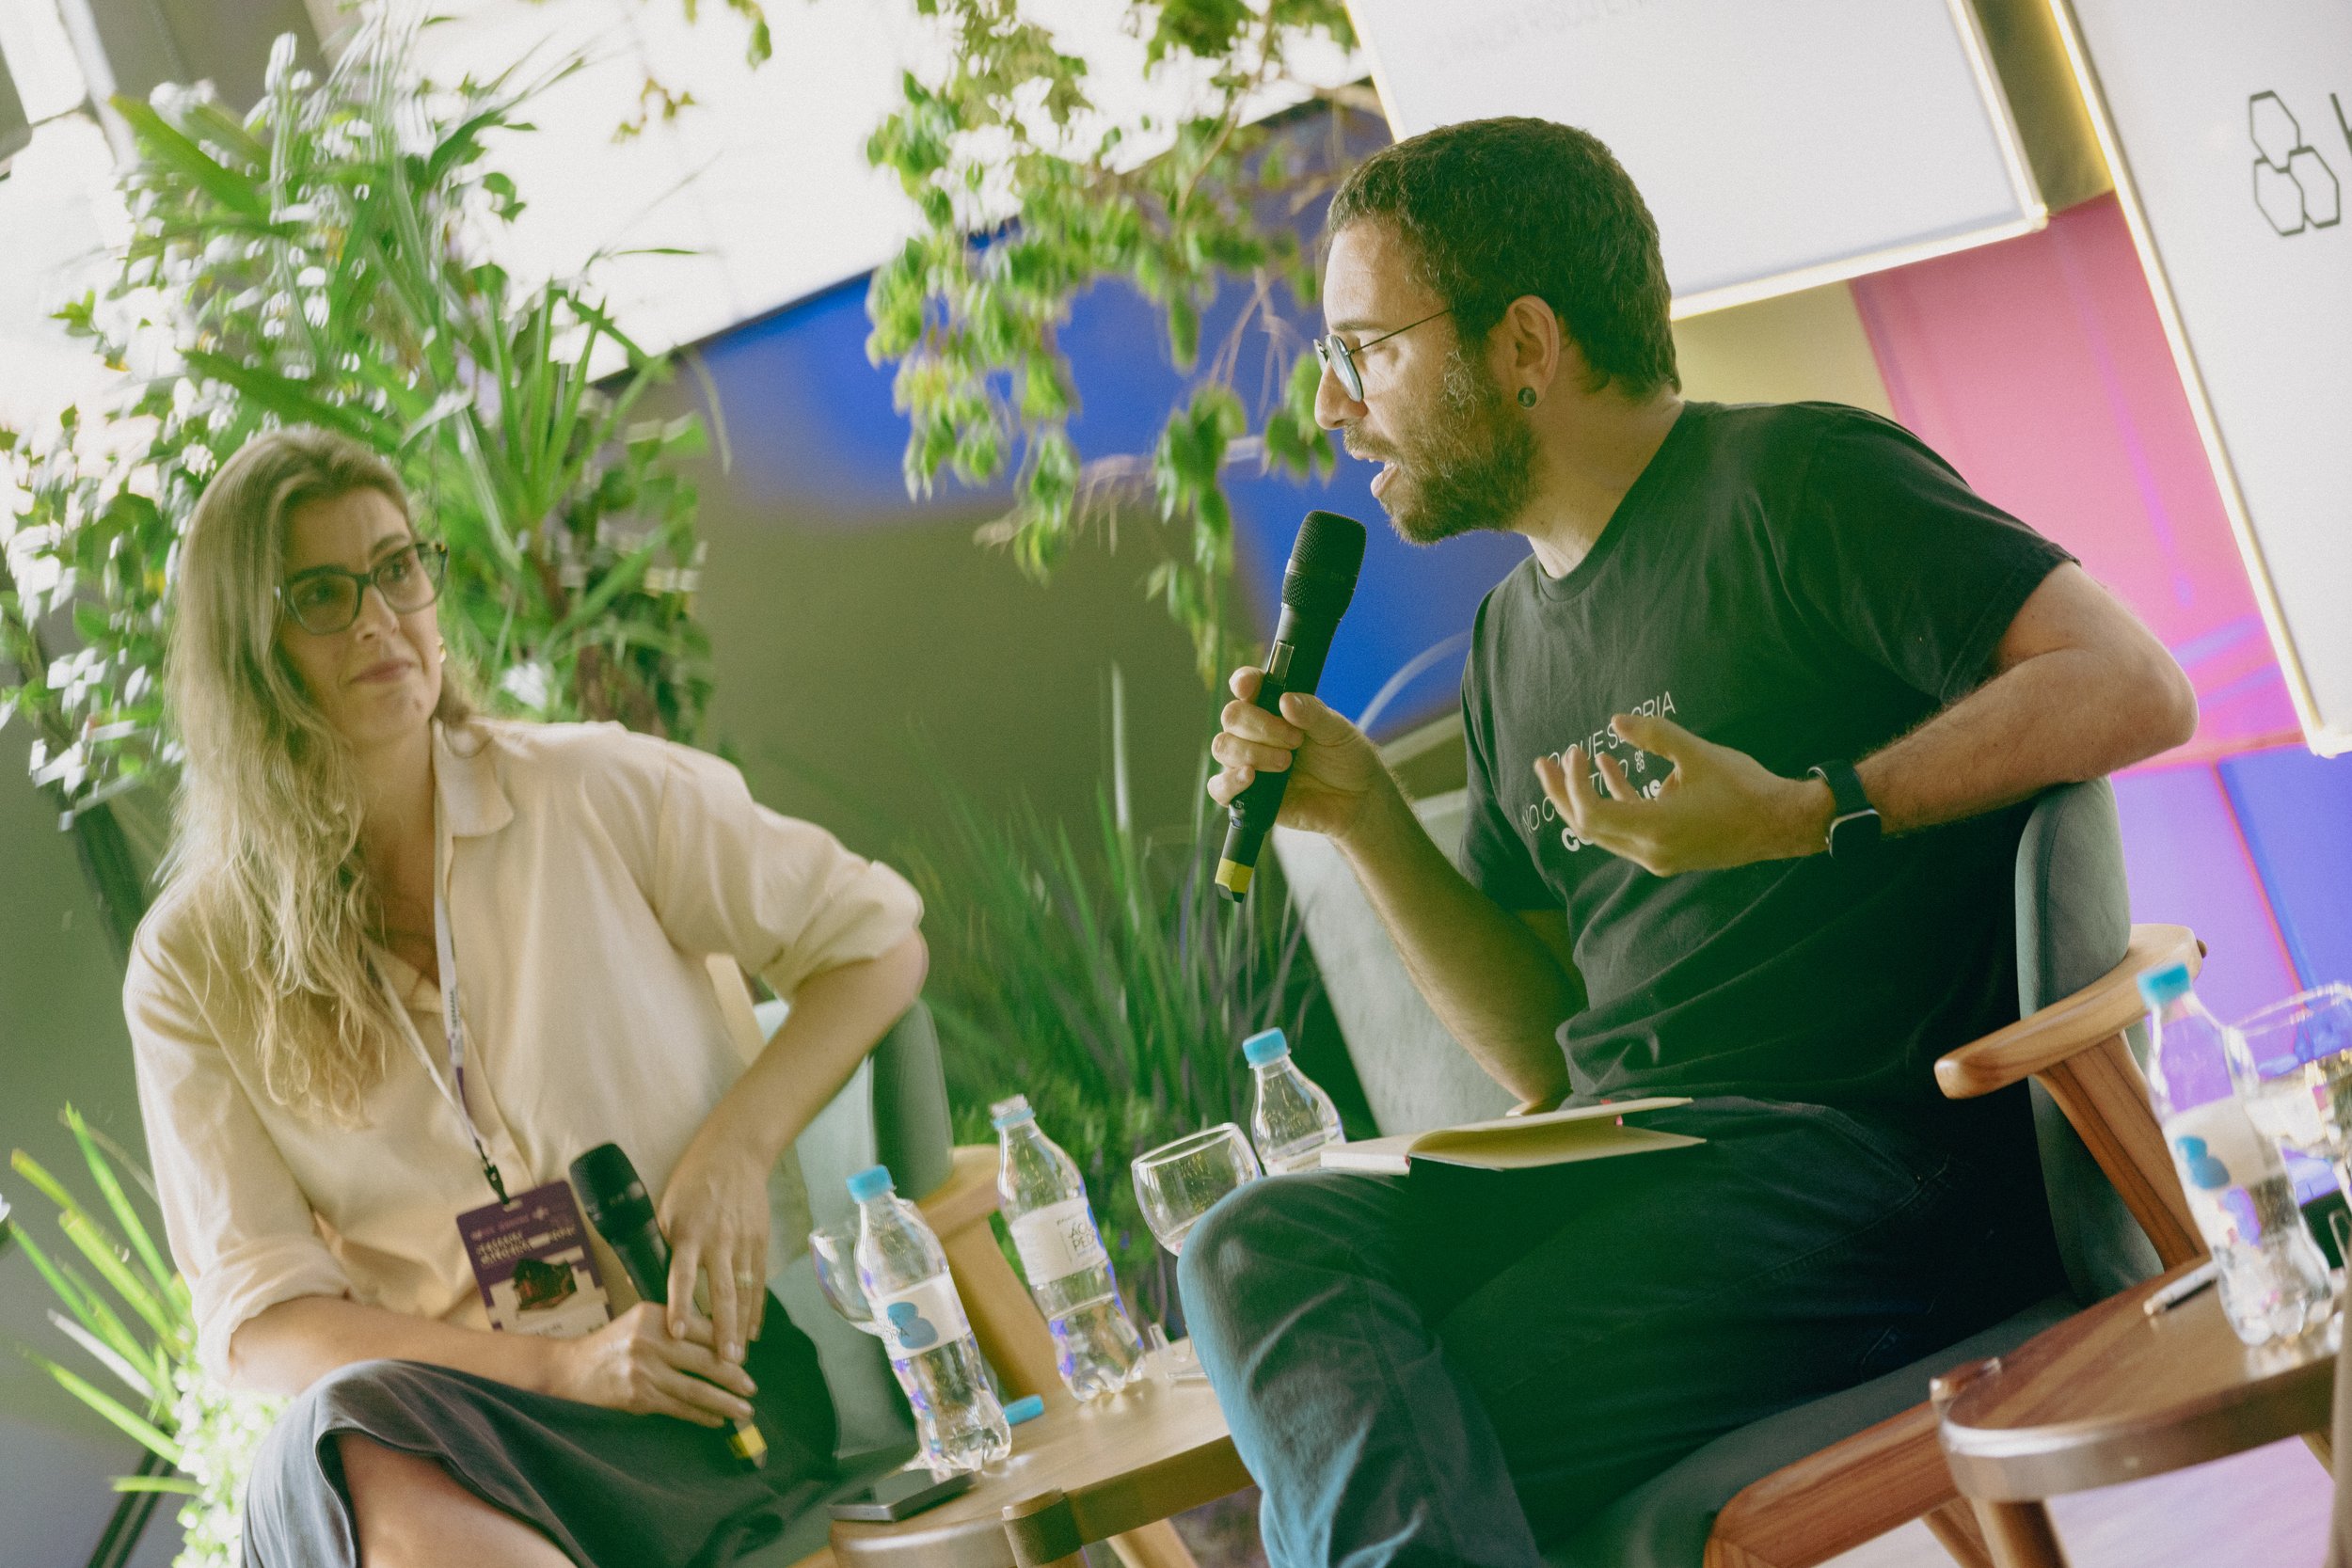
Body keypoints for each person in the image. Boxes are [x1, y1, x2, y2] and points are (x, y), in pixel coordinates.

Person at [1184, 118, 2201, 1567]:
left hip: (1874, 1173)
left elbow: (2133, 682)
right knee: (1248, 1241)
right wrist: (1365, 819)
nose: (1337, 407)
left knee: (1415, 1432)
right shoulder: (1509, 642)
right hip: (1640, 1168)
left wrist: (1806, 806)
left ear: (1523, 345)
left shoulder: (1796, 481)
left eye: (1368, 351)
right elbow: (1541, 1051)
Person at [126, 427, 929, 1568]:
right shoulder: (190, 964)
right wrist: (561, 1368)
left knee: (357, 1462)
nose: (379, 617)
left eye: (397, 567)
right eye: (322, 594)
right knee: (328, 1447)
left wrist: (738, 1145)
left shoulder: (589, 787)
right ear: (247, 654)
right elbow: (263, 1327)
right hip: (464, 1430)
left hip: (704, 1397)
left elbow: (876, 943)